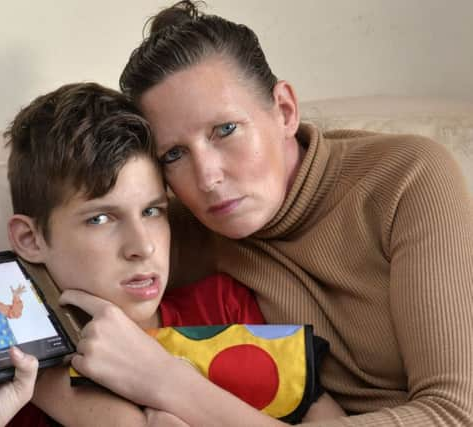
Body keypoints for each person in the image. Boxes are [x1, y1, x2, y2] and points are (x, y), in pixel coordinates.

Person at [60, 1, 472, 426]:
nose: (207, 178)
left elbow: (455, 413)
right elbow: (35, 297)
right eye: (175, 153)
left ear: (285, 110)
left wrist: (168, 383)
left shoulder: (406, 177)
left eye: (225, 130)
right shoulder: (176, 227)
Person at [0, 82, 343, 426]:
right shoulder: (8, 384)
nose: (142, 247)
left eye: (151, 211)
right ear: (31, 239)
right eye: (100, 219)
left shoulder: (223, 307)